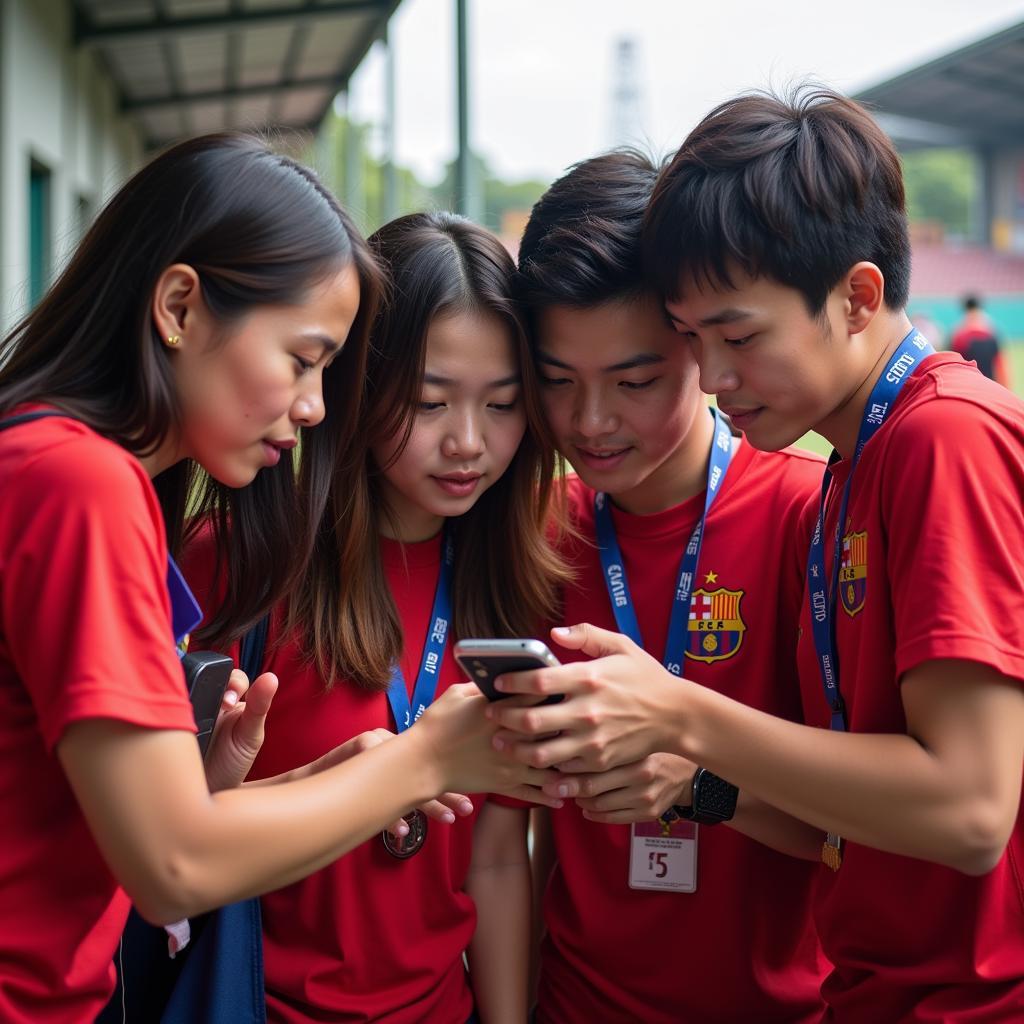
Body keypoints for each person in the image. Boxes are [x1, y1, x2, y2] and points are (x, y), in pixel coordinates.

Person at [490, 90, 1024, 1021]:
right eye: (698, 340)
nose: (719, 375)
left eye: (735, 338)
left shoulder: (938, 439)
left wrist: (678, 716)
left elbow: (972, 811)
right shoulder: (858, 468)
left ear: (858, 297)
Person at [0, 133, 554, 1024]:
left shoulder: (74, 473)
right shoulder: (81, 482)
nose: (315, 405)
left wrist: (316, 782)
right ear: (179, 306)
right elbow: (174, 863)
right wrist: (423, 759)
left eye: (329, 370)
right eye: (301, 359)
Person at [184, 210, 569, 1024]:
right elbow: (169, 830)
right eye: (430, 404)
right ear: (354, 385)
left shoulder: (516, 581)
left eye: (502, 405)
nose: (469, 443)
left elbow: (498, 860)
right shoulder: (239, 561)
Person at [515, 150, 826, 1023]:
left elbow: (873, 833)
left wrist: (707, 787)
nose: (591, 421)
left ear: (701, 344)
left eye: (635, 381)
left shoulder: (808, 519)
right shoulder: (536, 534)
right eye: (556, 381)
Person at [951, 295, 1010, 387]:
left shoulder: (959, 333)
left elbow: (954, 364)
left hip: (970, 384)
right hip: (990, 384)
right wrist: (1005, 387)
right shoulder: (991, 330)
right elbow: (1000, 364)